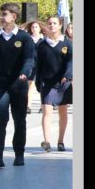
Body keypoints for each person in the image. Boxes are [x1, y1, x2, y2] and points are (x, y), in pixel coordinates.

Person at [0, 3, 35, 168]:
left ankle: (19, 154)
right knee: (0, 120)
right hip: (1, 86)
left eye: (4, 14)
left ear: (14, 17)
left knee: (19, 120)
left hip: (19, 85)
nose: (1, 17)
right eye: (1, 14)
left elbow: (29, 59)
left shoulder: (24, 38)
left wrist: (24, 73)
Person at [36, 15, 73, 152]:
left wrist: (67, 75)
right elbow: (38, 64)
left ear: (60, 25)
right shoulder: (42, 44)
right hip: (47, 82)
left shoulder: (67, 43)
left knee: (63, 112)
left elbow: (71, 61)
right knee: (47, 111)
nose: (52, 25)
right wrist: (38, 81)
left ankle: (60, 141)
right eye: (50, 23)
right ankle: (46, 141)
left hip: (63, 82)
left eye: (54, 23)